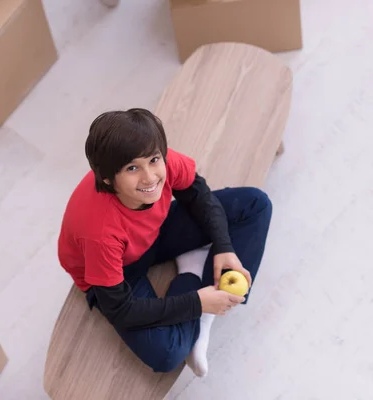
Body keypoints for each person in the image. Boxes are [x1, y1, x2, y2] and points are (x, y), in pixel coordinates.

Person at [57, 108, 273, 376]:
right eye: (132, 168)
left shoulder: (162, 163)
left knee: (256, 204)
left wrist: (224, 246)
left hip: (153, 234)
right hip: (120, 273)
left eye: (154, 160)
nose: (150, 177)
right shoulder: (99, 233)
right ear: (108, 179)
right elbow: (121, 309)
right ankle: (196, 281)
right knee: (167, 354)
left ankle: (207, 314)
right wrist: (195, 302)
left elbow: (198, 194)